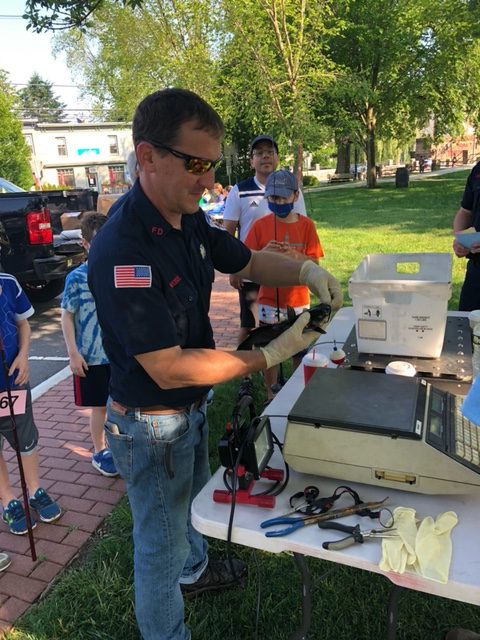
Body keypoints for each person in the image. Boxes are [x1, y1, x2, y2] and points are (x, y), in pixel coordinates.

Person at [87, 87, 343, 640]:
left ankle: (197, 569)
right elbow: (170, 367)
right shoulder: (124, 247)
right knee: (159, 543)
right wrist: (268, 355)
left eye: (213, 164)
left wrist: (304, 274)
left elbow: (248, 259)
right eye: (197, 163)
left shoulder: (189, 220)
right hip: (151, 422)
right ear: (148, 156)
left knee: (196, 497)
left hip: (188, 407)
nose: (209, 180)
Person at [244, 169, 323, 400]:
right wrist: (261, 254)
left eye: (282, 197)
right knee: (272, 350)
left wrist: (296, 256)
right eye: (272, 198)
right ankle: (271, 393)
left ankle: (299, 391)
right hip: (269, 299)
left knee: (298, 347)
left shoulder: (307, 226)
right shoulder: (260, 226)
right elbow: (248, 258)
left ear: (295, 197)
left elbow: (315, 262)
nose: (277, 202)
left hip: (298, 300)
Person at [223, 135, 308, 346]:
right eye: (259, 153)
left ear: (277, 158)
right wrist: (235, 268)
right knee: (249, 324)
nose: (265, 157)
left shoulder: (292, 190)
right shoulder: (239, 191)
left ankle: (274, 366)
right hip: (251, 267)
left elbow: (301, 226)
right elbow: (228, 233)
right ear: (252, 160)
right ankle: (244, 373)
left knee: (286, 324)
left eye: (270, 152)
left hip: (283, 269)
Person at [0, 272, 61, 535]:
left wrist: (24, 356)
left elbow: (23, 324)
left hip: (14, 379)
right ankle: (8, 500)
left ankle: (35, 489)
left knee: (25, 437)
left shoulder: (8, 283)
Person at [61, 212, 117, 477]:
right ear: (85, 244)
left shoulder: (119, 271)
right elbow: (67, 316)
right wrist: (73, 353)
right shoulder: (76, 278)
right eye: (97, 241)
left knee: (122, 403)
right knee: (99, 406)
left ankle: (121, 447)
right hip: (92, 357)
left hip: (119, 354)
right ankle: (100, 451)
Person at [452, 161, 480, 310]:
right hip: (476, 272)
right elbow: (465, 211)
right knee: (467, 325)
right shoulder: (477, 170)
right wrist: (460, 238)